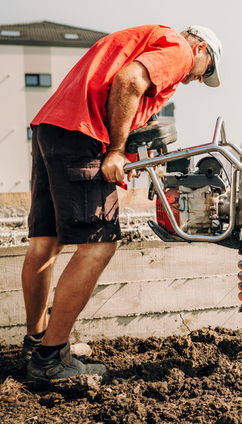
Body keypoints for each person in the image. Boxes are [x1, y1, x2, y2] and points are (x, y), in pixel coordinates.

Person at [21, 24, 222, 383]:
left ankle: (37, 342)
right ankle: (50, 359)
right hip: (82, 134)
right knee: (99, 245)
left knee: (44, 242)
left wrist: (128, 149)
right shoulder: (179, 48)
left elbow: (119, 88)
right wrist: (114, 151)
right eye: (205, 70)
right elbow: (129, 82)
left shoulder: (147, 39)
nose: (197, 78)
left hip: (51, 127)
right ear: (202, 48)